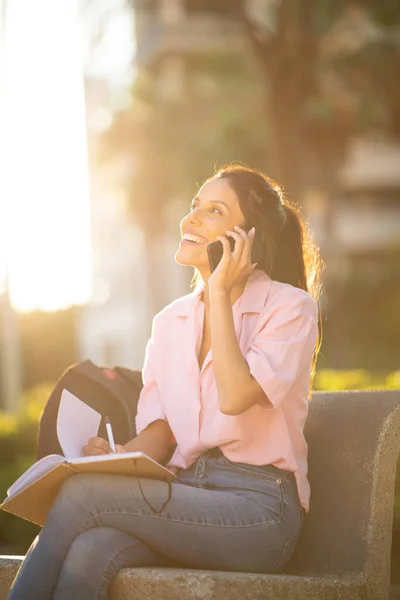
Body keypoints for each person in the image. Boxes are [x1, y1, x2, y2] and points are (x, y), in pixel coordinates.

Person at [7, 164, 323, 600]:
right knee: (90, 548)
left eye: (213, 211)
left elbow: (234, 397)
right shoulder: (169, 322)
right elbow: (161, 434)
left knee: (83, 498)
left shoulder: (290, 309)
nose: (191, 218)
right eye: (195, 205)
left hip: (259, 510)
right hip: (187, 493)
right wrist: (112, 458)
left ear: (246, 239)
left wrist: (216, 291)